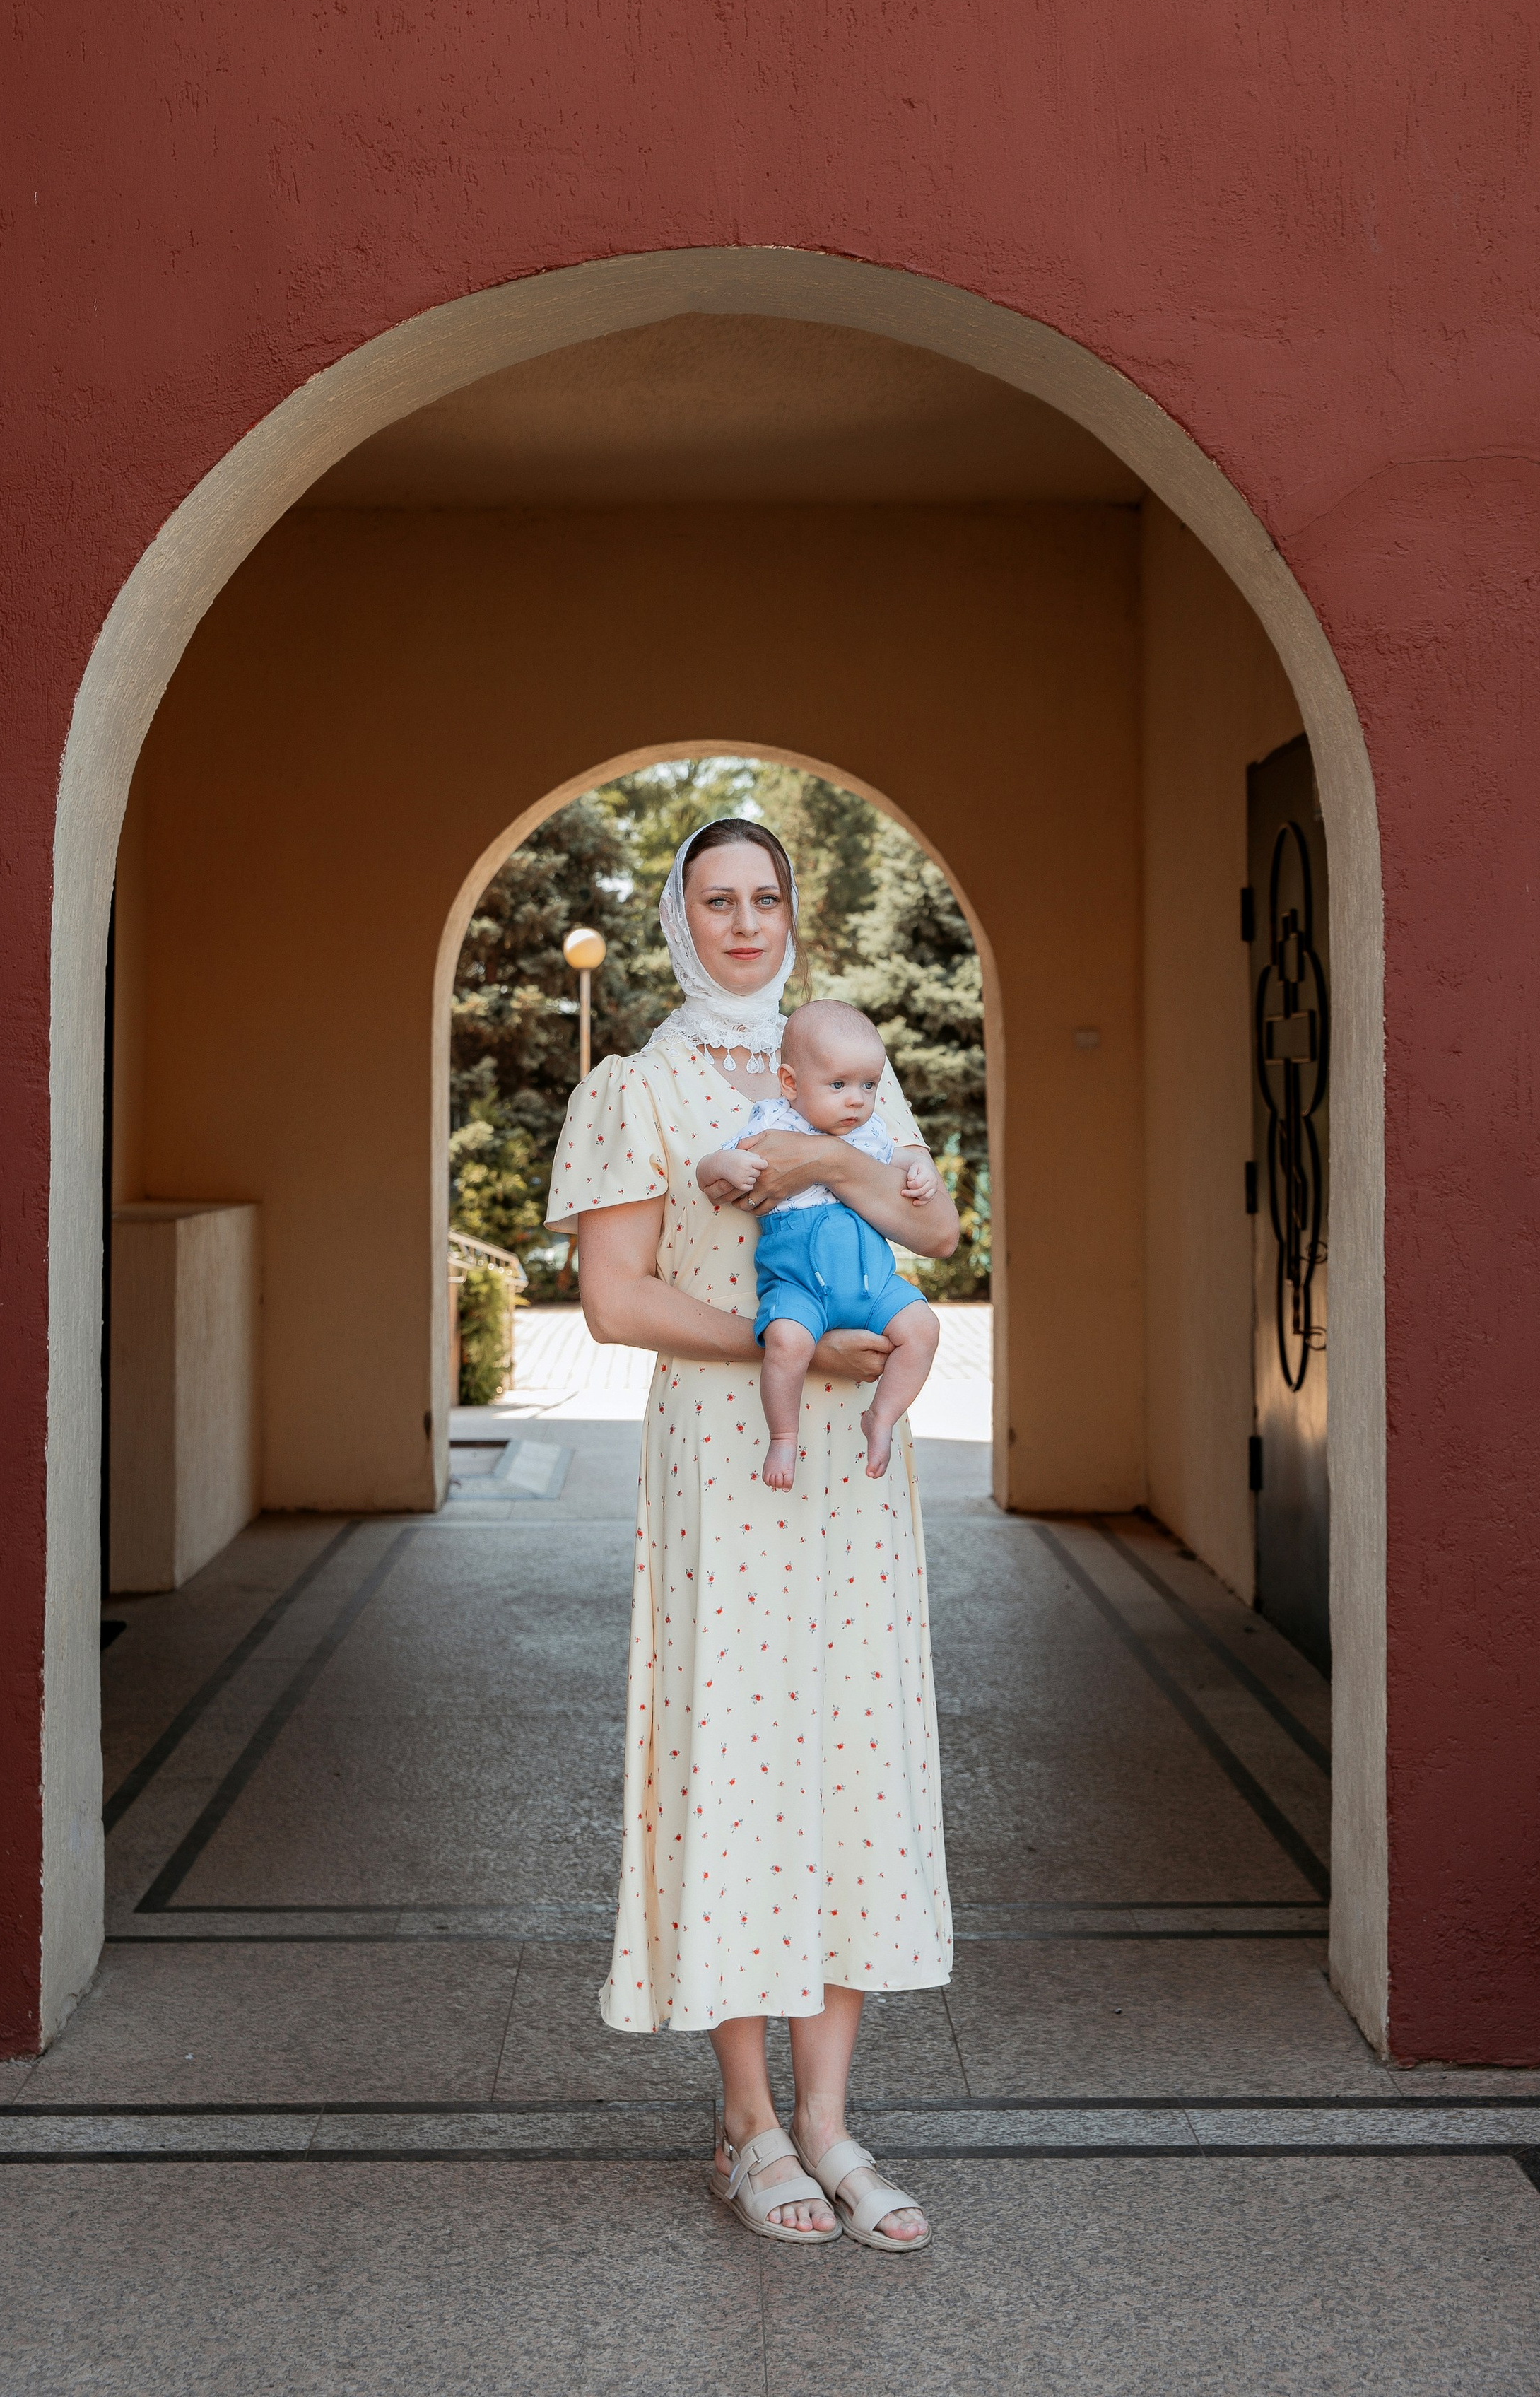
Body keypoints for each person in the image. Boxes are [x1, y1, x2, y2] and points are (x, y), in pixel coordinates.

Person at [548, 818, 960, 2252]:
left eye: (764, 897)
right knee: (734, 1767)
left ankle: (832, 2126)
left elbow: (938, 1232)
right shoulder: (637, 1084)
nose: (743, 922)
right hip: (729, 1459)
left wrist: (814, 1153)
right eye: (715, 900)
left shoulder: (843, 1062)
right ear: (680, 917)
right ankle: (749, 2124)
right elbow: (614, 1299)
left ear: (793, 910)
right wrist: (788, 1348)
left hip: (856, 1474)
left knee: (845, 1760)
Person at [697, 997, 941, 1489]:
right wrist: (726, 1165)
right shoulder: (771, 1125)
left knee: (924, 1328)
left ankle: (882, 1417)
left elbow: (898, 1160)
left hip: (873, 1285)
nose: (857, 1100)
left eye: (869, 1085)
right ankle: (783, 1436)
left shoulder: (870, 1132)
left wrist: (921, 1170)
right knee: (787, 1342)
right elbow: (709, 1170)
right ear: (790, 1083)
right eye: (838, 1085)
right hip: (799, 1287)